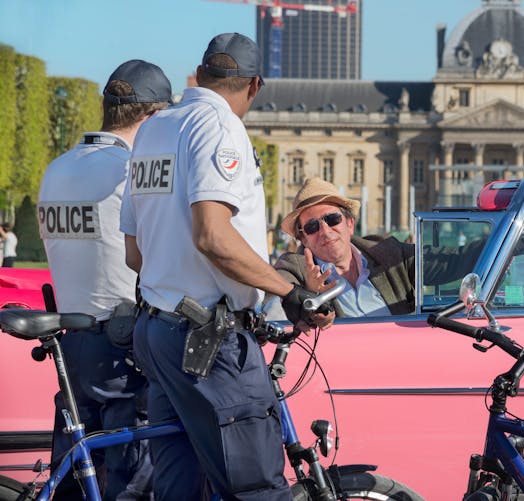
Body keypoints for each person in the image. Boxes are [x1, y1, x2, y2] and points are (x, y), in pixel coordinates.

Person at [120, 33, 332, 501]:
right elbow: (213, 235)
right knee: (256, 487)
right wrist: (289, 291)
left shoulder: (155, 126)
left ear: (203, 73)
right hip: (208, 343)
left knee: (179, 490)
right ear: (254, 85)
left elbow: (134, 254)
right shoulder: (219, 125)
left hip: (157, 331)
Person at [37, 59, 172, 500]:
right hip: (120, 347)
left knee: (76, 477)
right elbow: (158, 256)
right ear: (151, 116)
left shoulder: (56, 169)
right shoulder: (131, 172)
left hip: (69, 340)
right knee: (133, 482)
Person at [272, 177, 483, 317]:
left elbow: (454, 261)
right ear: (304, 238)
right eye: (312, 226)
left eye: (332, 219)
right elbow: (275, 299)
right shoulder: (295, 269)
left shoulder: (388, 254)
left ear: (349, 224)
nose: (325, 231)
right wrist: (307, 294)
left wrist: (511, 240)